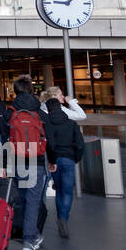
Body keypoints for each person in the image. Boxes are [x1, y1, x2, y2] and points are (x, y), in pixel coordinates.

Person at [8, 76, 56, 250]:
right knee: (33, 201)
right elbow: (50, 140)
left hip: (17, 162)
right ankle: (29, 239)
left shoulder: (11, 112)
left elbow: (6, 140)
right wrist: (52, 160)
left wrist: (4, 164)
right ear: (32, 90)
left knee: (22, 199)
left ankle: (20, 231)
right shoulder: (40, 113)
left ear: (15, 91)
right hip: (36, 161)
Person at [41, 96, 85, 238]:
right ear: (60, 107)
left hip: (54, 159)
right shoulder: (71, 124)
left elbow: (49, 144)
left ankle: (61, 217)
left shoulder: (47, 124)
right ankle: (63, 218)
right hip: (69, 159)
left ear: (48, 109)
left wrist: (51, 160)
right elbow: (80, 144)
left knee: (58, 189)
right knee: (67, 192)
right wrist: (76, 158)